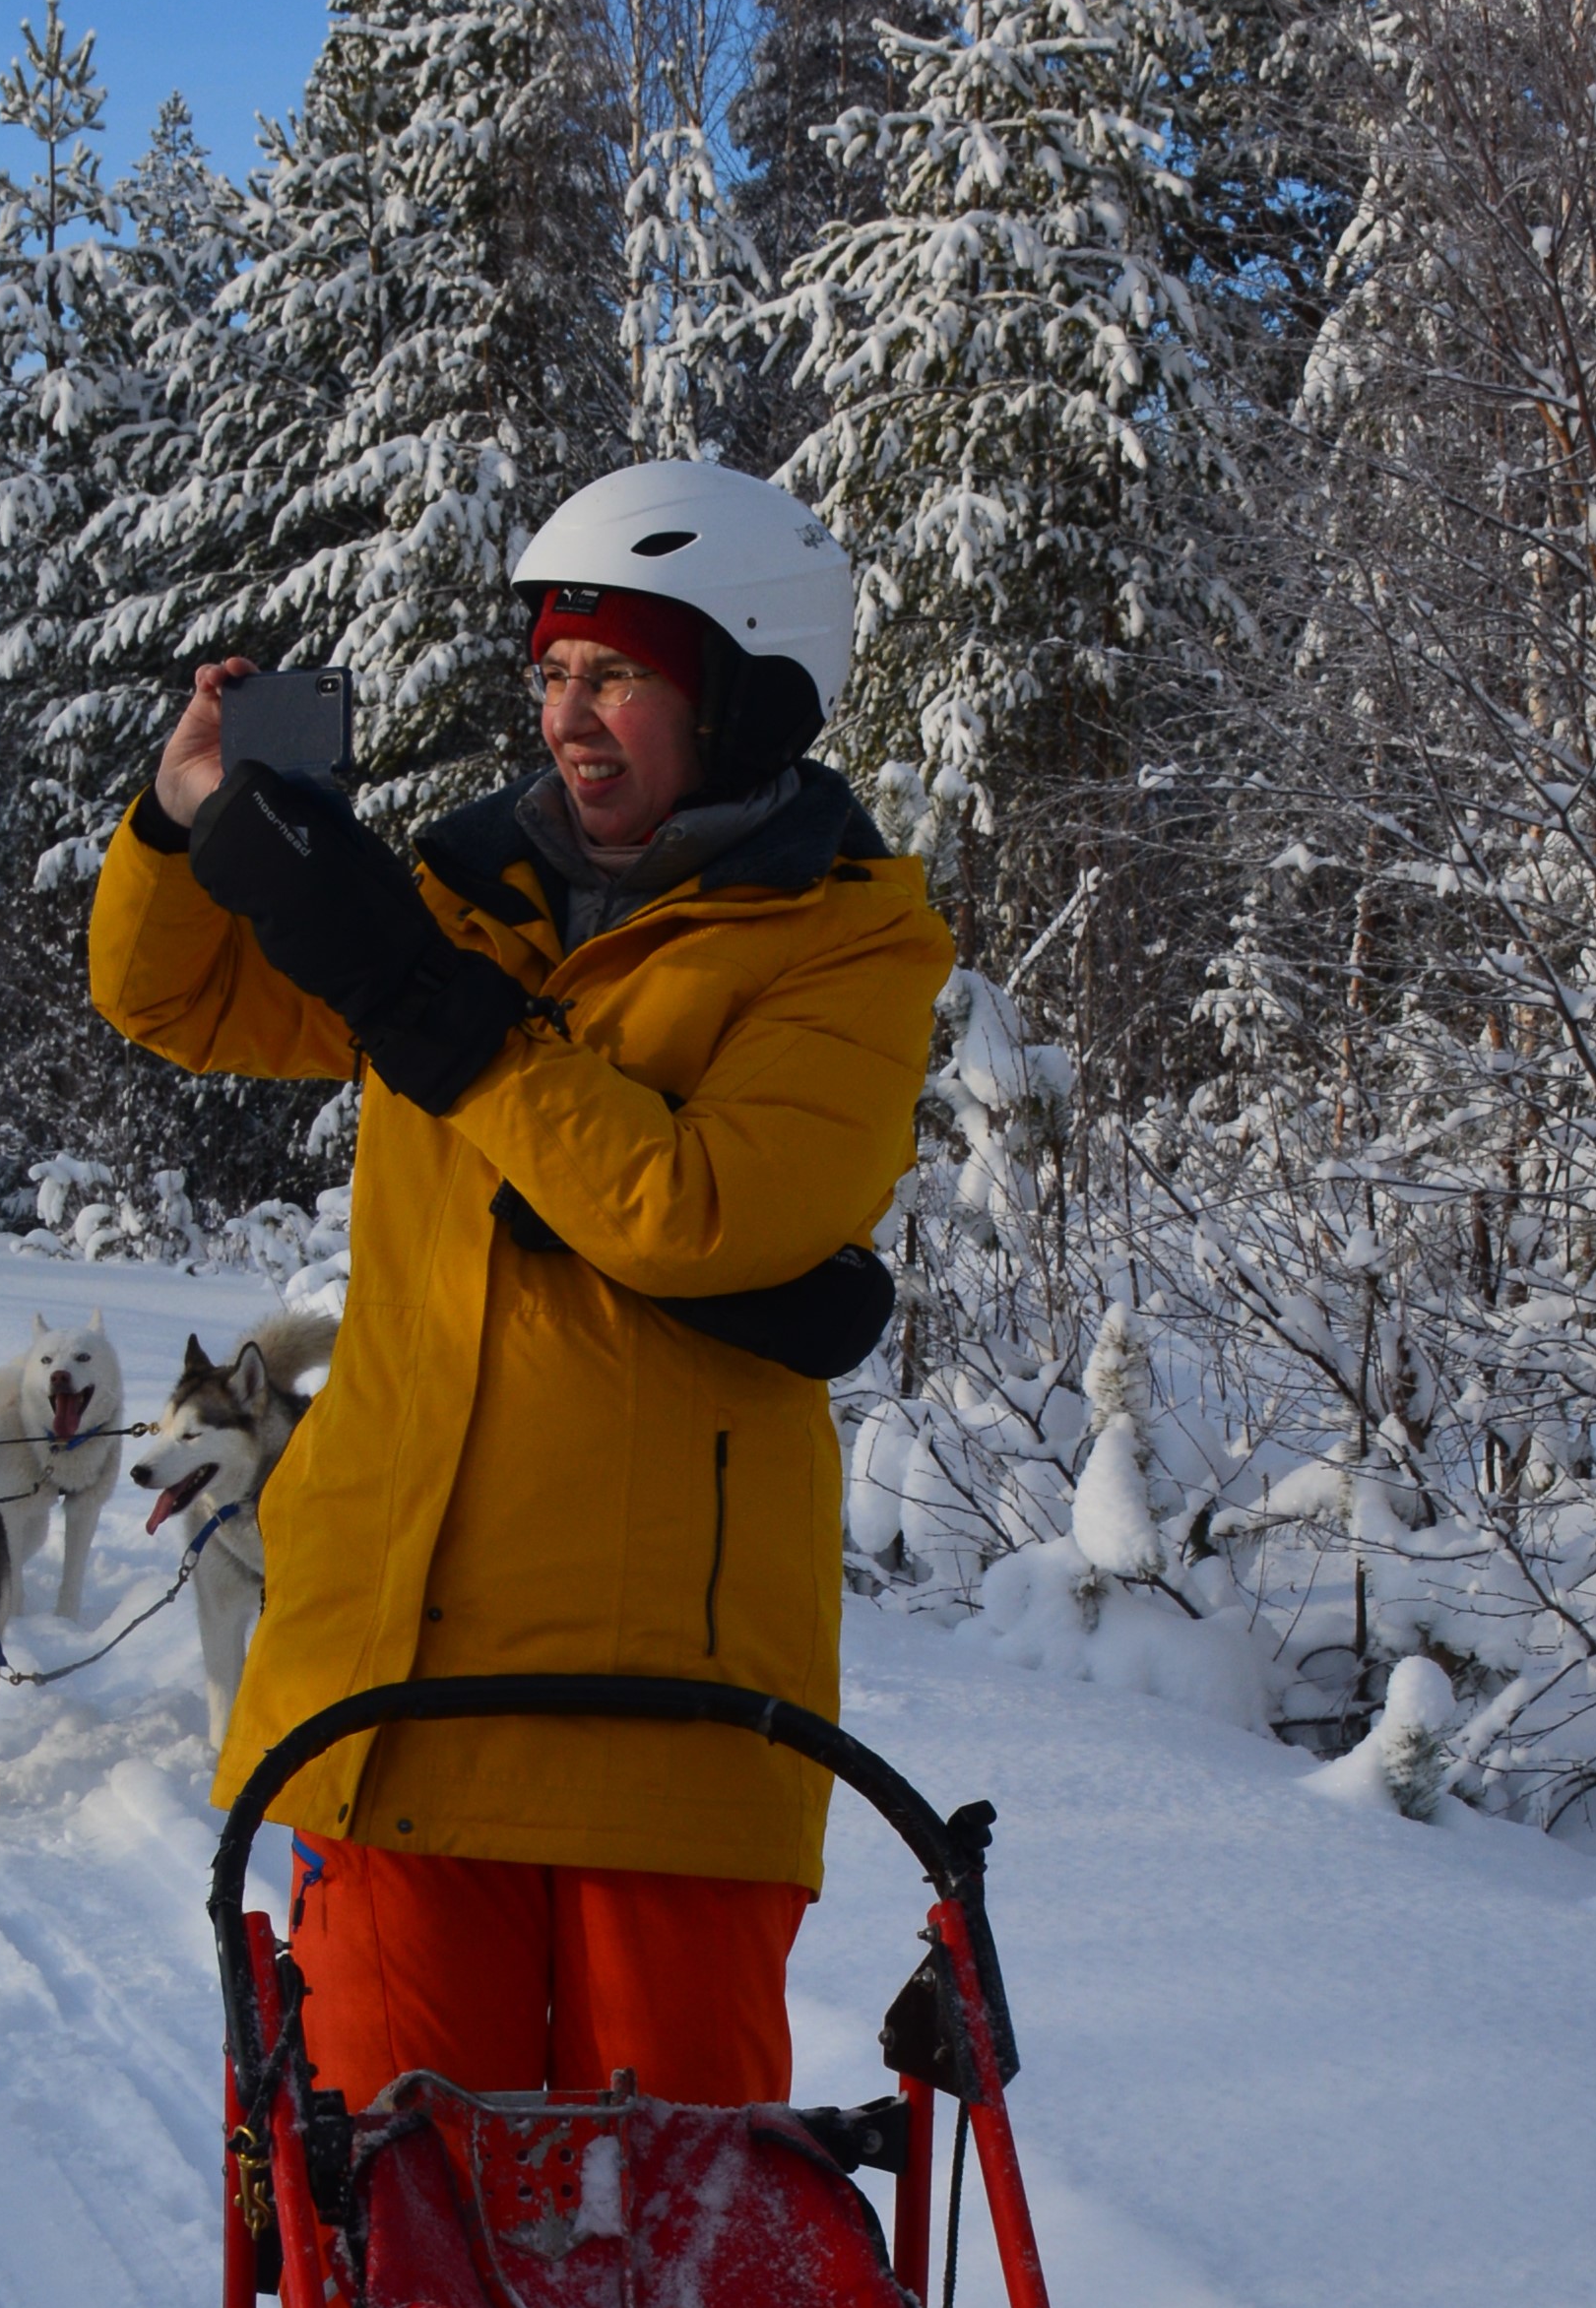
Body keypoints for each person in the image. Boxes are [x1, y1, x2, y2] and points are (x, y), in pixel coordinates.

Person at [86, 461, 952, 2111]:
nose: (566, 716)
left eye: (615, 673)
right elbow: (176, 1004)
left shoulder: (840, 946)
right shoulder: (455, 895)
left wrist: (438, 1014)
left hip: (659, 1716)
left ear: (745, 693)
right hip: (390, 1683)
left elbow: (701, 1210)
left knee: (665, 2216)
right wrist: (180, 821)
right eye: (550, 671)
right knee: (396, 2205)